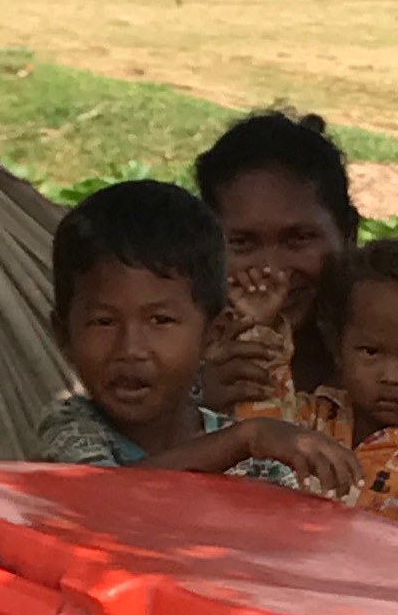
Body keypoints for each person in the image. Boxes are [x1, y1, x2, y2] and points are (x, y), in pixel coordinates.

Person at [194, 111, 398, 560]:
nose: (272, 269)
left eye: (299, 238)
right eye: (242, 243)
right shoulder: (181, 349)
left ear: (348, 234)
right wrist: (195, 407)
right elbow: (126, 486)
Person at [35, 178, 360, 499]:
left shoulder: (253, 458)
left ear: (213, 335)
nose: (130, 349)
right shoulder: (70, 429)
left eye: (160, 320)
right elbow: (100, 497)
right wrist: (242, 439)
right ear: (64, 336)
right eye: (103, 322)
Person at [228, 233, 398, 550]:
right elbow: (261, 409)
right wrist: (262, 326)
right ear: (338, 348)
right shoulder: (311, 419)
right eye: (371, 352)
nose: (390, 375)